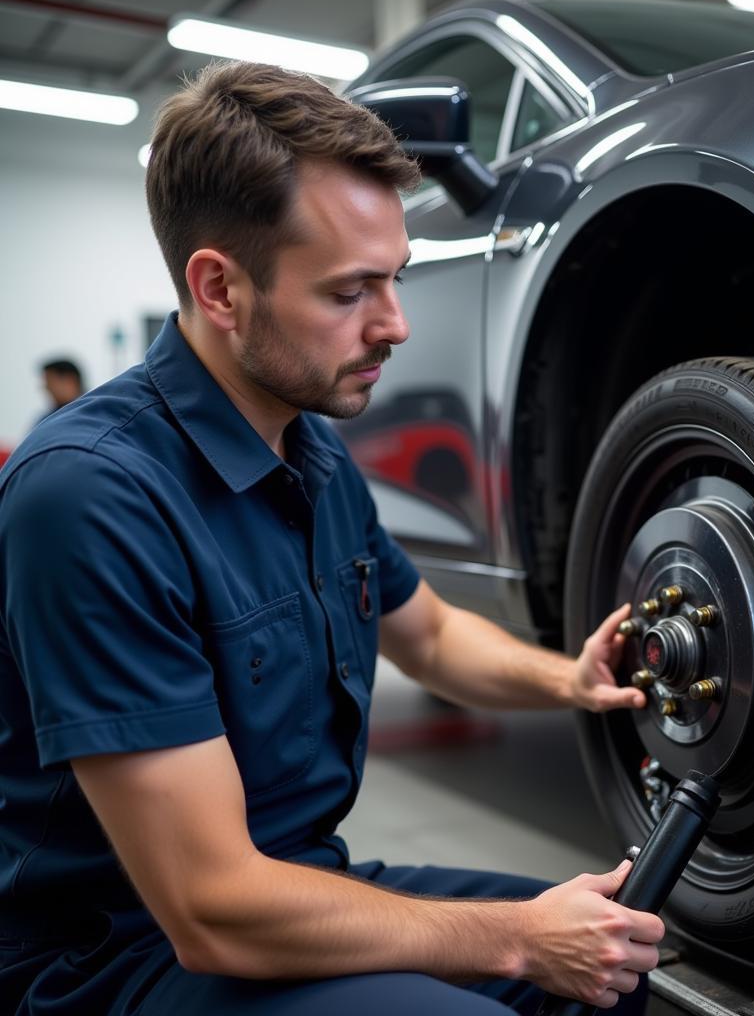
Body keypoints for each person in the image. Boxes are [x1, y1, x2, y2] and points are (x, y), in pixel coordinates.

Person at [0, 63, 663, 1015]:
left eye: (393, 279)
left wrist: (571, 680)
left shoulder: (310, 450)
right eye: (352, 292)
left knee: (611, 966)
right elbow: (210, 907)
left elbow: (427, 636)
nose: (393, 325)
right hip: (121, 955)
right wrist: (517, 939)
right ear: (220, 288)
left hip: (299, 881)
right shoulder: (91, 495)